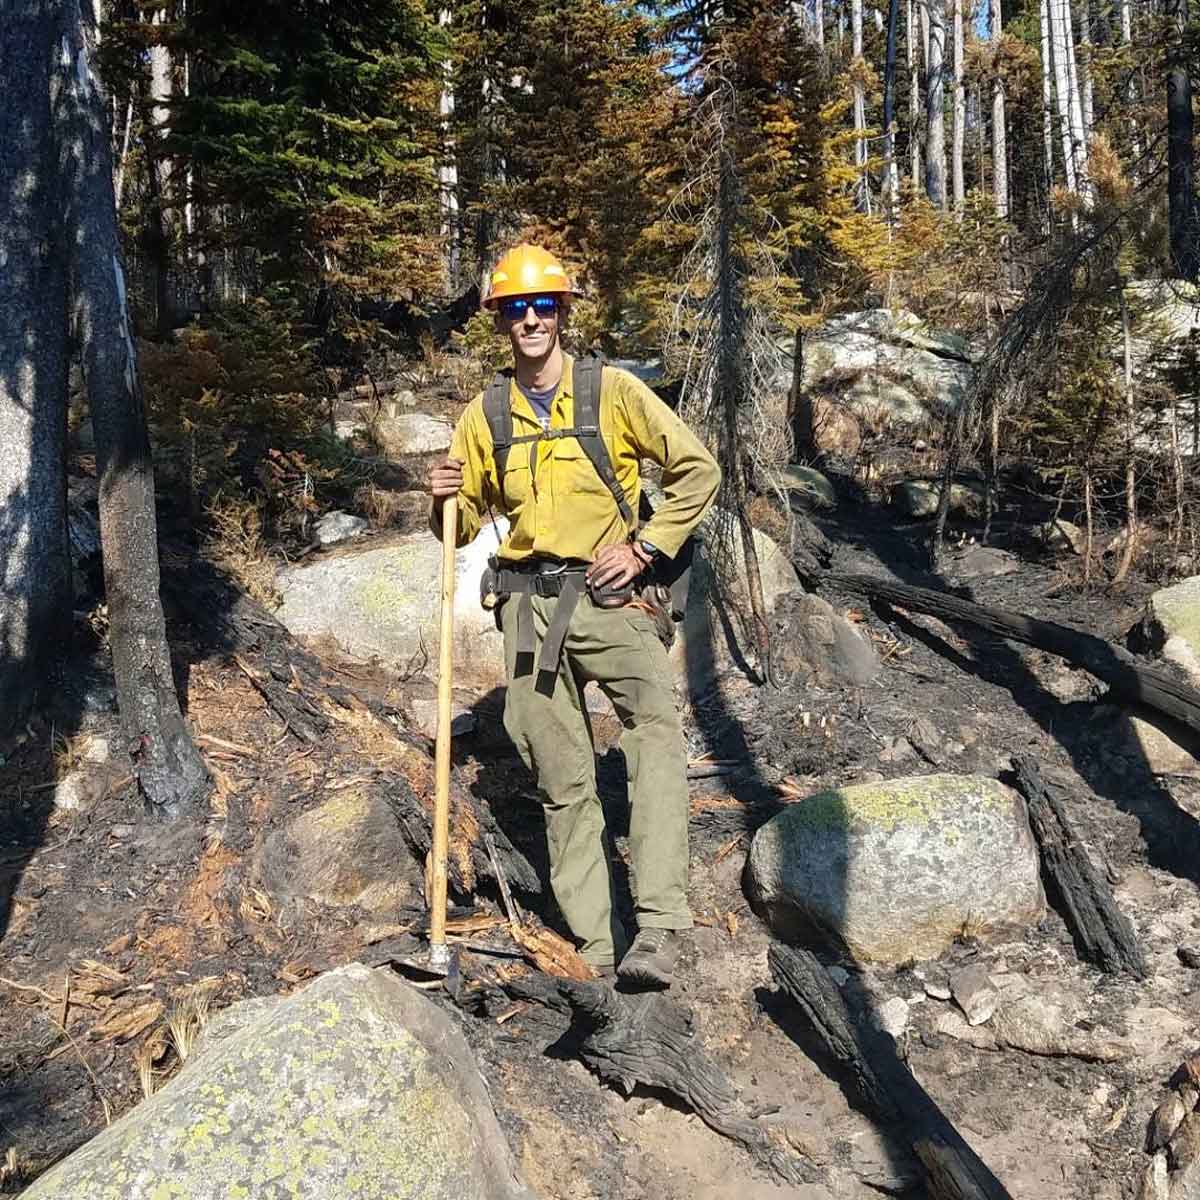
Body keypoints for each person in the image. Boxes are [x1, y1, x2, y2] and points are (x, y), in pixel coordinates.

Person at [429, 244, 720, 987]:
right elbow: (461, 524)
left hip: (612, 600)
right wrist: (442, 499)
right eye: (515, 308)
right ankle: (593, 948)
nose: (530, 318)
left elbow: (697, 470)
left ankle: (656, 927)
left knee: (654, 736)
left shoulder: (613, 391)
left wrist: (648, 548)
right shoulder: (483, 414)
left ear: (561, 313)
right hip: (528, 612)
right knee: (563, 781)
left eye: (542, 305)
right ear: (500, 319)